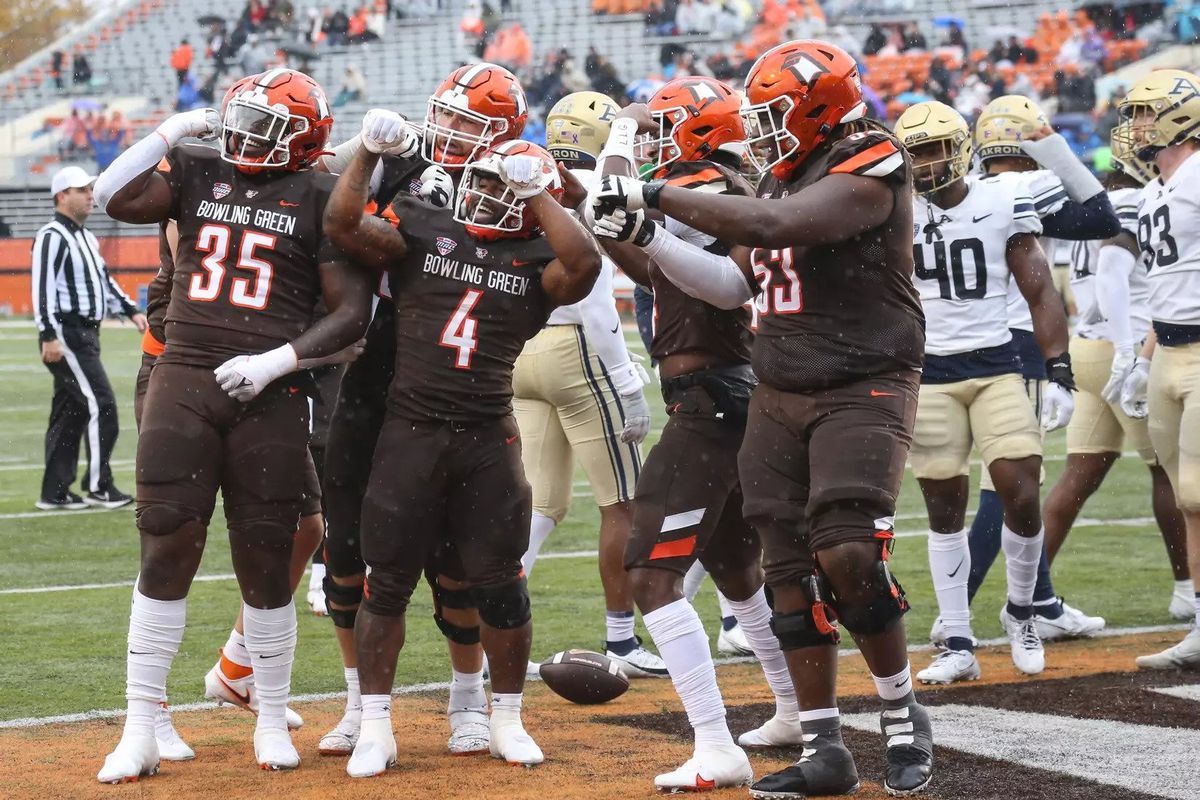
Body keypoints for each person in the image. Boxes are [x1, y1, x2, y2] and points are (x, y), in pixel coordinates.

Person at [588, 40, 934, 797]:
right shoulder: (776, 181)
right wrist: (643, 238)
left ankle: (902, 710)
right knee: (785, 571)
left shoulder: (870, 156)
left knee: (846, 552)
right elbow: (722, 285)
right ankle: (824, 746)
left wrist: (652, 199)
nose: (764, 130)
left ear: (820, 109)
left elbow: (785, 229)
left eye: (775, 114)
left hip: (861, 382)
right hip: (778, 386)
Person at [93, 68, 374, 782]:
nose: (246, 137)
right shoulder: (197, 167)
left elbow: (351, 312)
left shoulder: (321, 194)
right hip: (183, 373)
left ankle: (270, 713)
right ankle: (140, 724)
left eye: (267, 127)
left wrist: (278, 361)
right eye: (241, 120)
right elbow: (111, 196)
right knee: (165, 545)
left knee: (266, 556)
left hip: (269, 389)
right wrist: (166, 132)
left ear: (304, 140)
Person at [324, 124, 602, 776]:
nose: (479, 194)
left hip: (484, 437)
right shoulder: (426, 228)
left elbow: (585, 263)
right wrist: (366, 151)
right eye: (477, 182)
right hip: (410, 433)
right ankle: (375, 724)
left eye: (497, 187)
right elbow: (342, 223)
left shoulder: (540, 258)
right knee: (384, 582)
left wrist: (540, 195)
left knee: (500, 586)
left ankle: (504, 717)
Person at [592, 76, 805, 790]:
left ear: (692, 132)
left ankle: (715, 742)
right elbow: (658, 273)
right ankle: (791, 707)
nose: (654, 141)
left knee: (649, 576)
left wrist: (619, 139)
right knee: (736, 567)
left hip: (710, 399)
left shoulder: (701, 184)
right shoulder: (715, 185)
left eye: (663, 129)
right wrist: (594, 213)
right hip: (726, 391)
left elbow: (698, 269)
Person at [313, 64, 526, 761]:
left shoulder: (513, 182)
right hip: (375, 379)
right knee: (347, 553)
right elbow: (329, 197)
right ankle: (357, 703)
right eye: (449, 115)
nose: (453, 131)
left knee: (458, 560)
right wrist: (366, 148)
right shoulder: (398, 161)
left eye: (470, 122)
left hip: (458, 387)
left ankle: (469, 699)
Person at [893, 101, 1075, 684]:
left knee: (1020, 489)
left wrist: (1059, 368)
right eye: (914, 152)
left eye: (934, 149)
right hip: (931, 375)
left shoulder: (1002, 199)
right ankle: (958, 641)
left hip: (996, 367)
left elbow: (1040, 291)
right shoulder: (894, 210)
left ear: (962, 148)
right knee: (944, 512)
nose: (924, 164)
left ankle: (1021, 612)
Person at [956, 94, 1118, 644]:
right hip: (1018, 344)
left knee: (1009, 483)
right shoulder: (1026, 185)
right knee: (1006, 489)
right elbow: (1100, 216)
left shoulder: (973, 190)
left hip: (967, 342)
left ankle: (1042, 602)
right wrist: (1058, 150)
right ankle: (956, 611)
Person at [518, 90, 666, 678]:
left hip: (522, 350)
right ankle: (622, 641)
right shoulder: (589, 191)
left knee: (537, 504)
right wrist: (627, 381)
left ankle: (487, 631)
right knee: (622, 502)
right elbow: (599, 303)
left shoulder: (528, 179)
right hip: (578, 350)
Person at [1042, 139, 1192, 621]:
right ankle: (1187, 588)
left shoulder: (1095, 209)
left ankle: (1030, 594)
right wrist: (1130, 348)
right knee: (1170, 474)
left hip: (1085, 346)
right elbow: (1111, 273)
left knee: (1077, 476)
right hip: (1127, 348)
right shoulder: (1141, 199)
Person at [1114, 69, 1200, 669]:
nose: (1135, 125)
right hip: (1167, 351)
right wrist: (1142, 357)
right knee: (1186, 498)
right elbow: (1161, 284)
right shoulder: (1155, 189)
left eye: (1146, 112)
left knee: (1198, 490)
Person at [32, 166, 146, 512]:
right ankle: (99, 485)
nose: (90, 195)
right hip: (68, 333)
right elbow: (42, 288)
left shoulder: (86, 237)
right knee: (102, 404)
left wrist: (130, 310)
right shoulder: (52, 235)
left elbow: (104, 281)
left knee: (71, 411)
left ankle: (55, 491)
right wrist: (48, 335)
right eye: (82, 189)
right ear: (61, 196)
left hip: (86, 332)